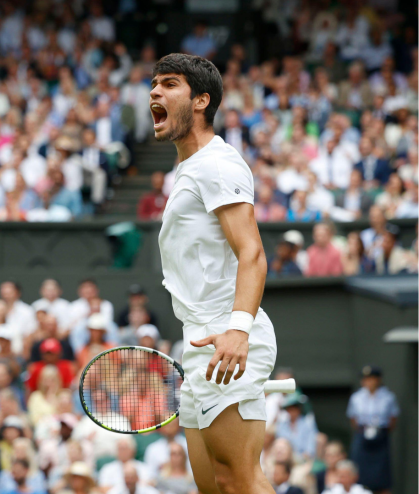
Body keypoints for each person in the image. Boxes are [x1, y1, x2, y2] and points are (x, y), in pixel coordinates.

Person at [151, 53, 278, 494]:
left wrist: (238, 331)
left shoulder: (217, 164)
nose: (155, 92)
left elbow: (253, 252)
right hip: (202, 339)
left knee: (239, 481)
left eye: (169, 84)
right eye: (154, 84)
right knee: (216, 487)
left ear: (202, 100)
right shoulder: (188, 168)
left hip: (229, 337)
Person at [347, 366, 399, 494]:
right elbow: (353, 418)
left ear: (378, 380)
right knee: (360, 473)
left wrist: (380, 432)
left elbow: (392, 419)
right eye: (365, 379)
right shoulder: (356, 397)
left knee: (382, 477)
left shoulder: (388, 397)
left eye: (371, 379)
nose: (368, 382)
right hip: (362, 435)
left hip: (380, 437)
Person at [275, 393, 318, 461]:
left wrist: (305, 457)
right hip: (286, 460)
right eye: (289, 409)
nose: (292, 411)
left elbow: (310, 448)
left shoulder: (307, 424)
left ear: (299, 409)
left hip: (303, 459)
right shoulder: (282, 425)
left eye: (294, 408)